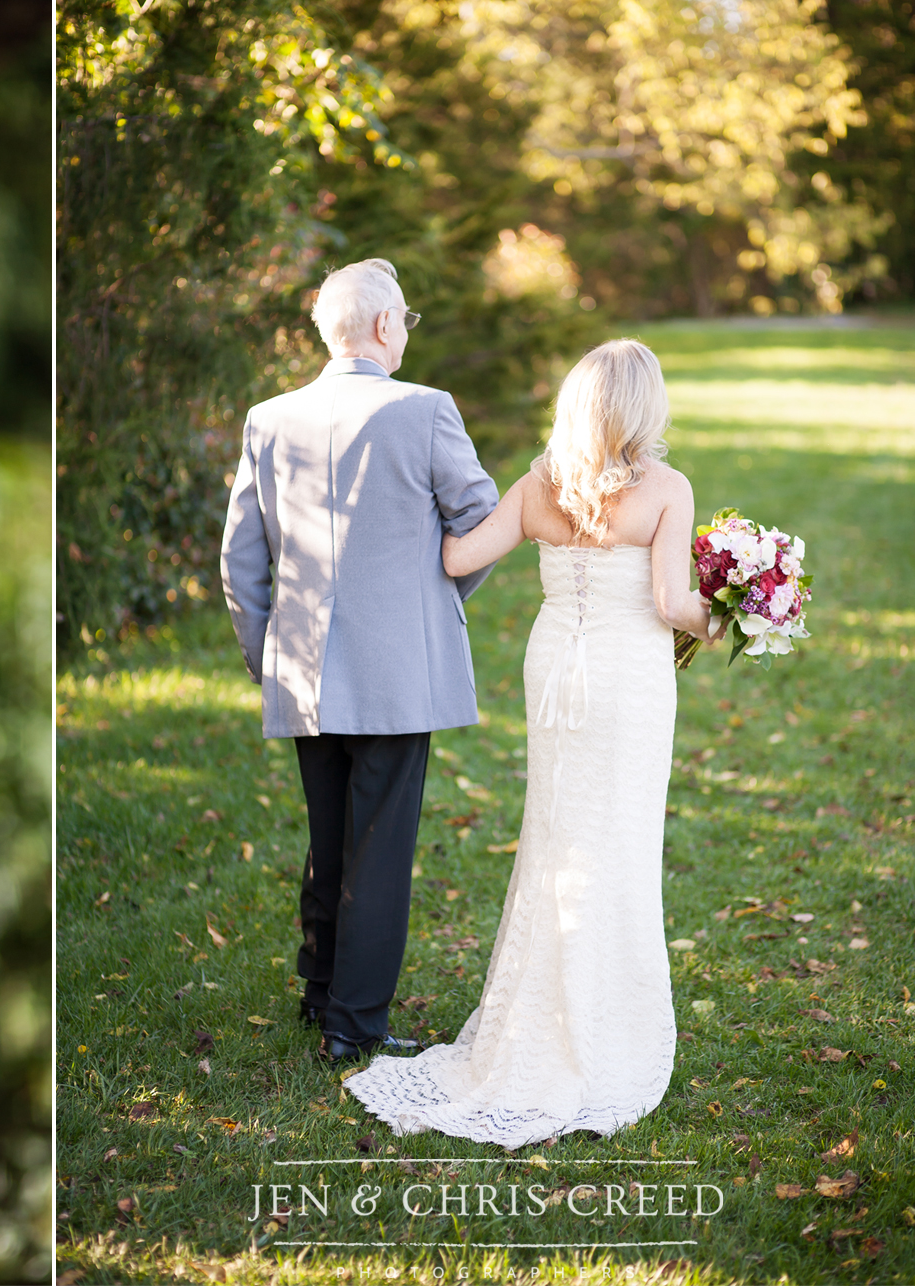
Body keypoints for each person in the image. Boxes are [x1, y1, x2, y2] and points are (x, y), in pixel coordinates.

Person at [344, 338, 726, 1148]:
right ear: (644, 407)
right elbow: (669, 603)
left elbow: (455, 555)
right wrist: (732, 615)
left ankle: (542, 1011)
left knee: (556, 837)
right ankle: (599, 1026)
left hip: (553, 671)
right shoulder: (668, 488)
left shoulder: (536, 487)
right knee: (616, 840)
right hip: (625, 678)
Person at [219, 258, 500, 1065]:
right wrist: (433, 608)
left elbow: (240, 562)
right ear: (383, 326)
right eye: (405, 319)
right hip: (396, 673)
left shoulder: (269, 418)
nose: (406, 332)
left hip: (304, 666)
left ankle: (320, 994)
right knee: (377, 848)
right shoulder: (426, 410)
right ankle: (353, 1028)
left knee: (332, 834)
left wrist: (265, 654)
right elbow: (479, 525)